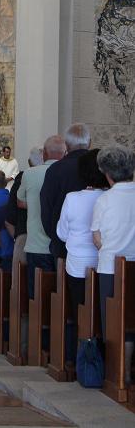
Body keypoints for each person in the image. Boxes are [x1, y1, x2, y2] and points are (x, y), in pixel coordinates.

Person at [57, 149, 108, 353]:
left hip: (77, 263)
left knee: (81, 311)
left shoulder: (72, 198)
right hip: (104, 262)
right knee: (104, 311)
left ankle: (85, 356)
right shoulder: (108, 197)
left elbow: (61, 232)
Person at [91, 145, 135, 370]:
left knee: (113, 321)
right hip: (134, 266)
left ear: (107, 174)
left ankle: (116, 372)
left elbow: (97, 238)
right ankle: (127, 371)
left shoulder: (104, 200)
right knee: (131, 319)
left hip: (110, 267)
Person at [18, 135, 65, 297]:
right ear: (64, 153)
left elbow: (20, 202)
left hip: (36, 244)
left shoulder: (30, 174)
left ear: (44, 153)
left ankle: (40, 322)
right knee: (62, 297)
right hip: (62, 245)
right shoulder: (68, 173)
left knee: (38, 297)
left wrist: (35, 205)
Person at [41, 123, 91, 259]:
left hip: (62, 245)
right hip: (95, 246)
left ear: (67, 146)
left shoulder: (55, 170)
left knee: (63, 280)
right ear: (89, 143)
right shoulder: (99, 167)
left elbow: (46, 208)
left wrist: (55, 236)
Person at [5, 147, 43, 268]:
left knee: (20, 281)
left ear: (29, 162)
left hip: (24, 233)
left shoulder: (22, 179)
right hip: (46, 238)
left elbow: (9, 218)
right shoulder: (52, 176)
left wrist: (18, 238)